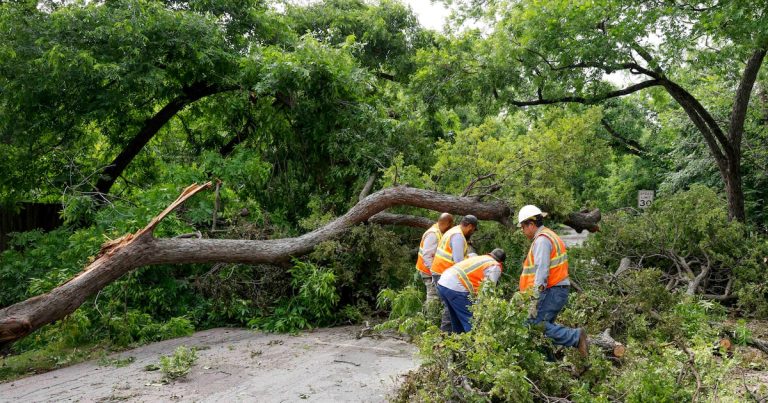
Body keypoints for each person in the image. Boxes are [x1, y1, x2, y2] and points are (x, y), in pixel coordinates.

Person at [517, 205, 588, 357]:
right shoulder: (549, 235)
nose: (522, 231)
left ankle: (575, 337)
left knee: (535, 326)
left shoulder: (542, 241)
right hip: (556, 290)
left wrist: (534, 298)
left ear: (531, 224)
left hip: (551, 290)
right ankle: (548, 365)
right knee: (542, 332)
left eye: (522, 227)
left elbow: (542, 271)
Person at [436, 249, 506, 333]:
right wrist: (481, 306)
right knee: (470, 320)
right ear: (501, 262)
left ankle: (454, 341)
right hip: (456, 286)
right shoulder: (495, 266)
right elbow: (488, 290)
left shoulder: (480, 258)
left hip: (442, 282)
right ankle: (474, 343)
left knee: (455, 319)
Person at [430, 215, 478, 331]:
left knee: (450, 305)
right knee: (450, 306)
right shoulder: (458, 237)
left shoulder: (454, 231)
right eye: (473, 230)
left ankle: (451, 335)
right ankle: (445, 335)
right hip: (443, 273)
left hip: (440, 272)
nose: (472, 233)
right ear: (470, 226)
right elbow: (459, 263)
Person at [415, 213, 454, 303]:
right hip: (428, 271)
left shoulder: (438, 231)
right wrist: (434, 273)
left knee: (435, 295)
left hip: (431, 271)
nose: (451, 227)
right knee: (432, 296)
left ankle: (432, 315)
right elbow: (427, 256)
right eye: (451, 225)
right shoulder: (433, 234)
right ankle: (430, 316)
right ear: (447, 223)